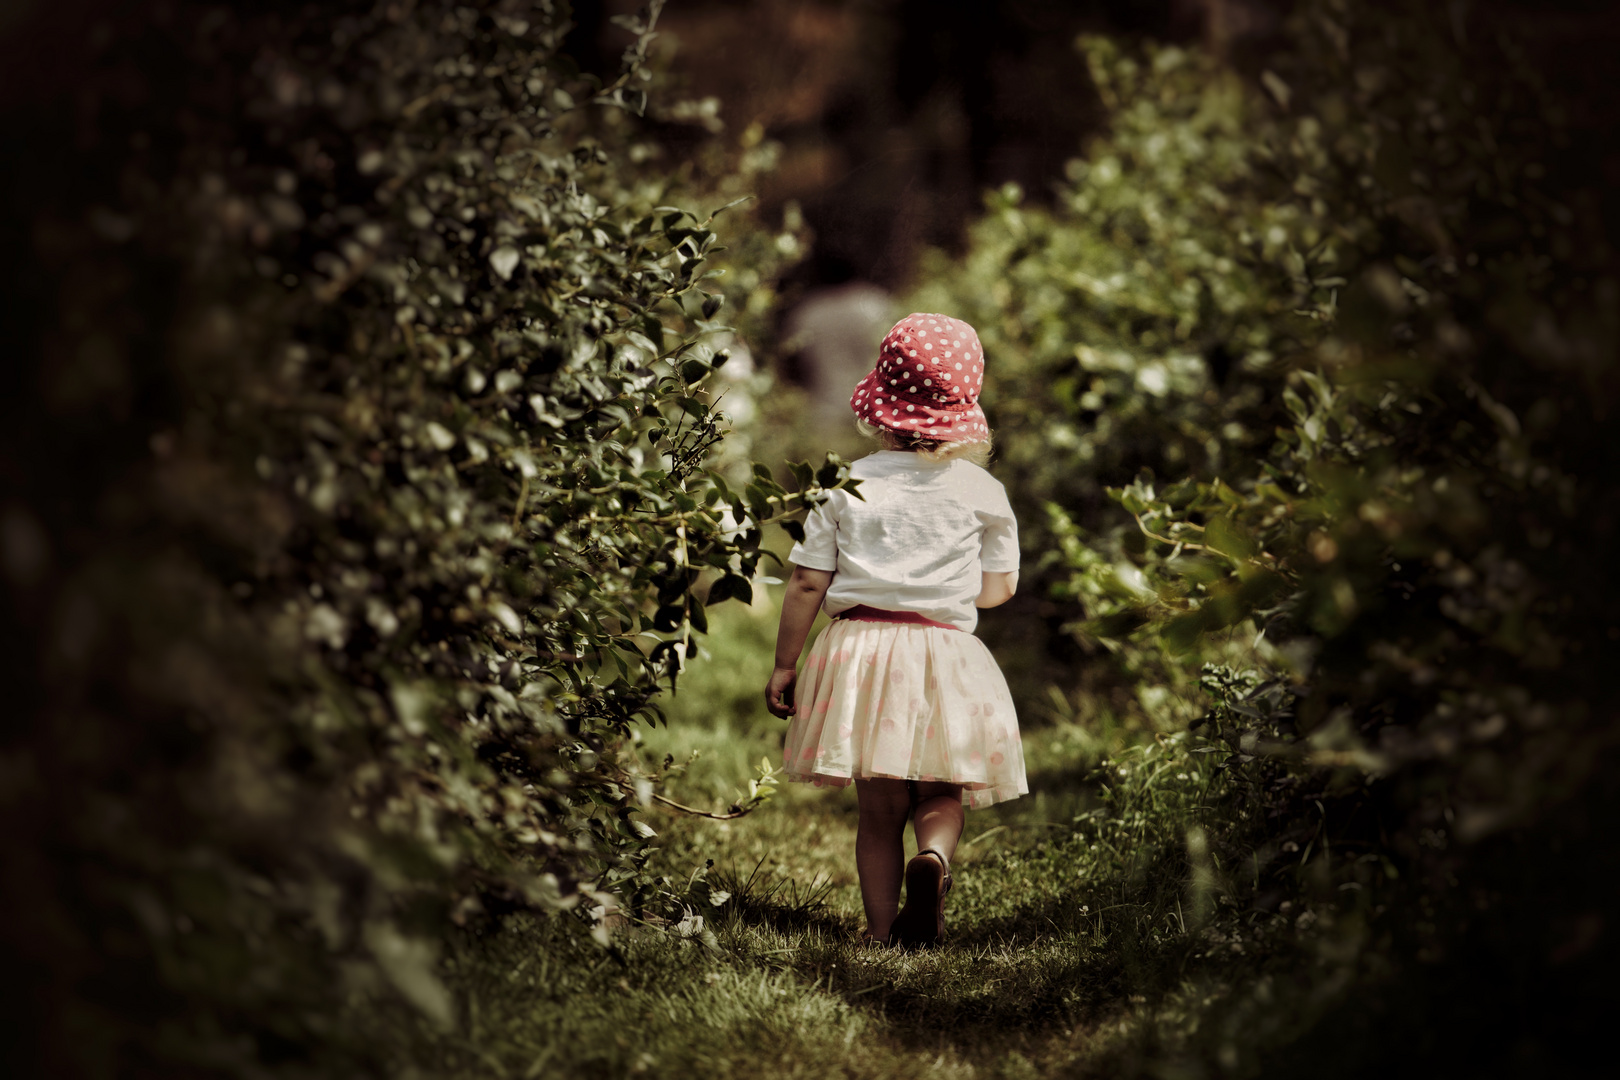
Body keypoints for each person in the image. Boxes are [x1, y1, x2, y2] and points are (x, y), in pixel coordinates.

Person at [763, 312, 1026, 948]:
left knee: (878, 814)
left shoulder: (844, 487)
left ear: (880, 402)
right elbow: (1000, 588)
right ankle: (934, 858)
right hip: (945, 656)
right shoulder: (981, 490)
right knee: (941, 791)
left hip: (861, 653)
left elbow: (805, 583)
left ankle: (882, 934)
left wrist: (785, 664)